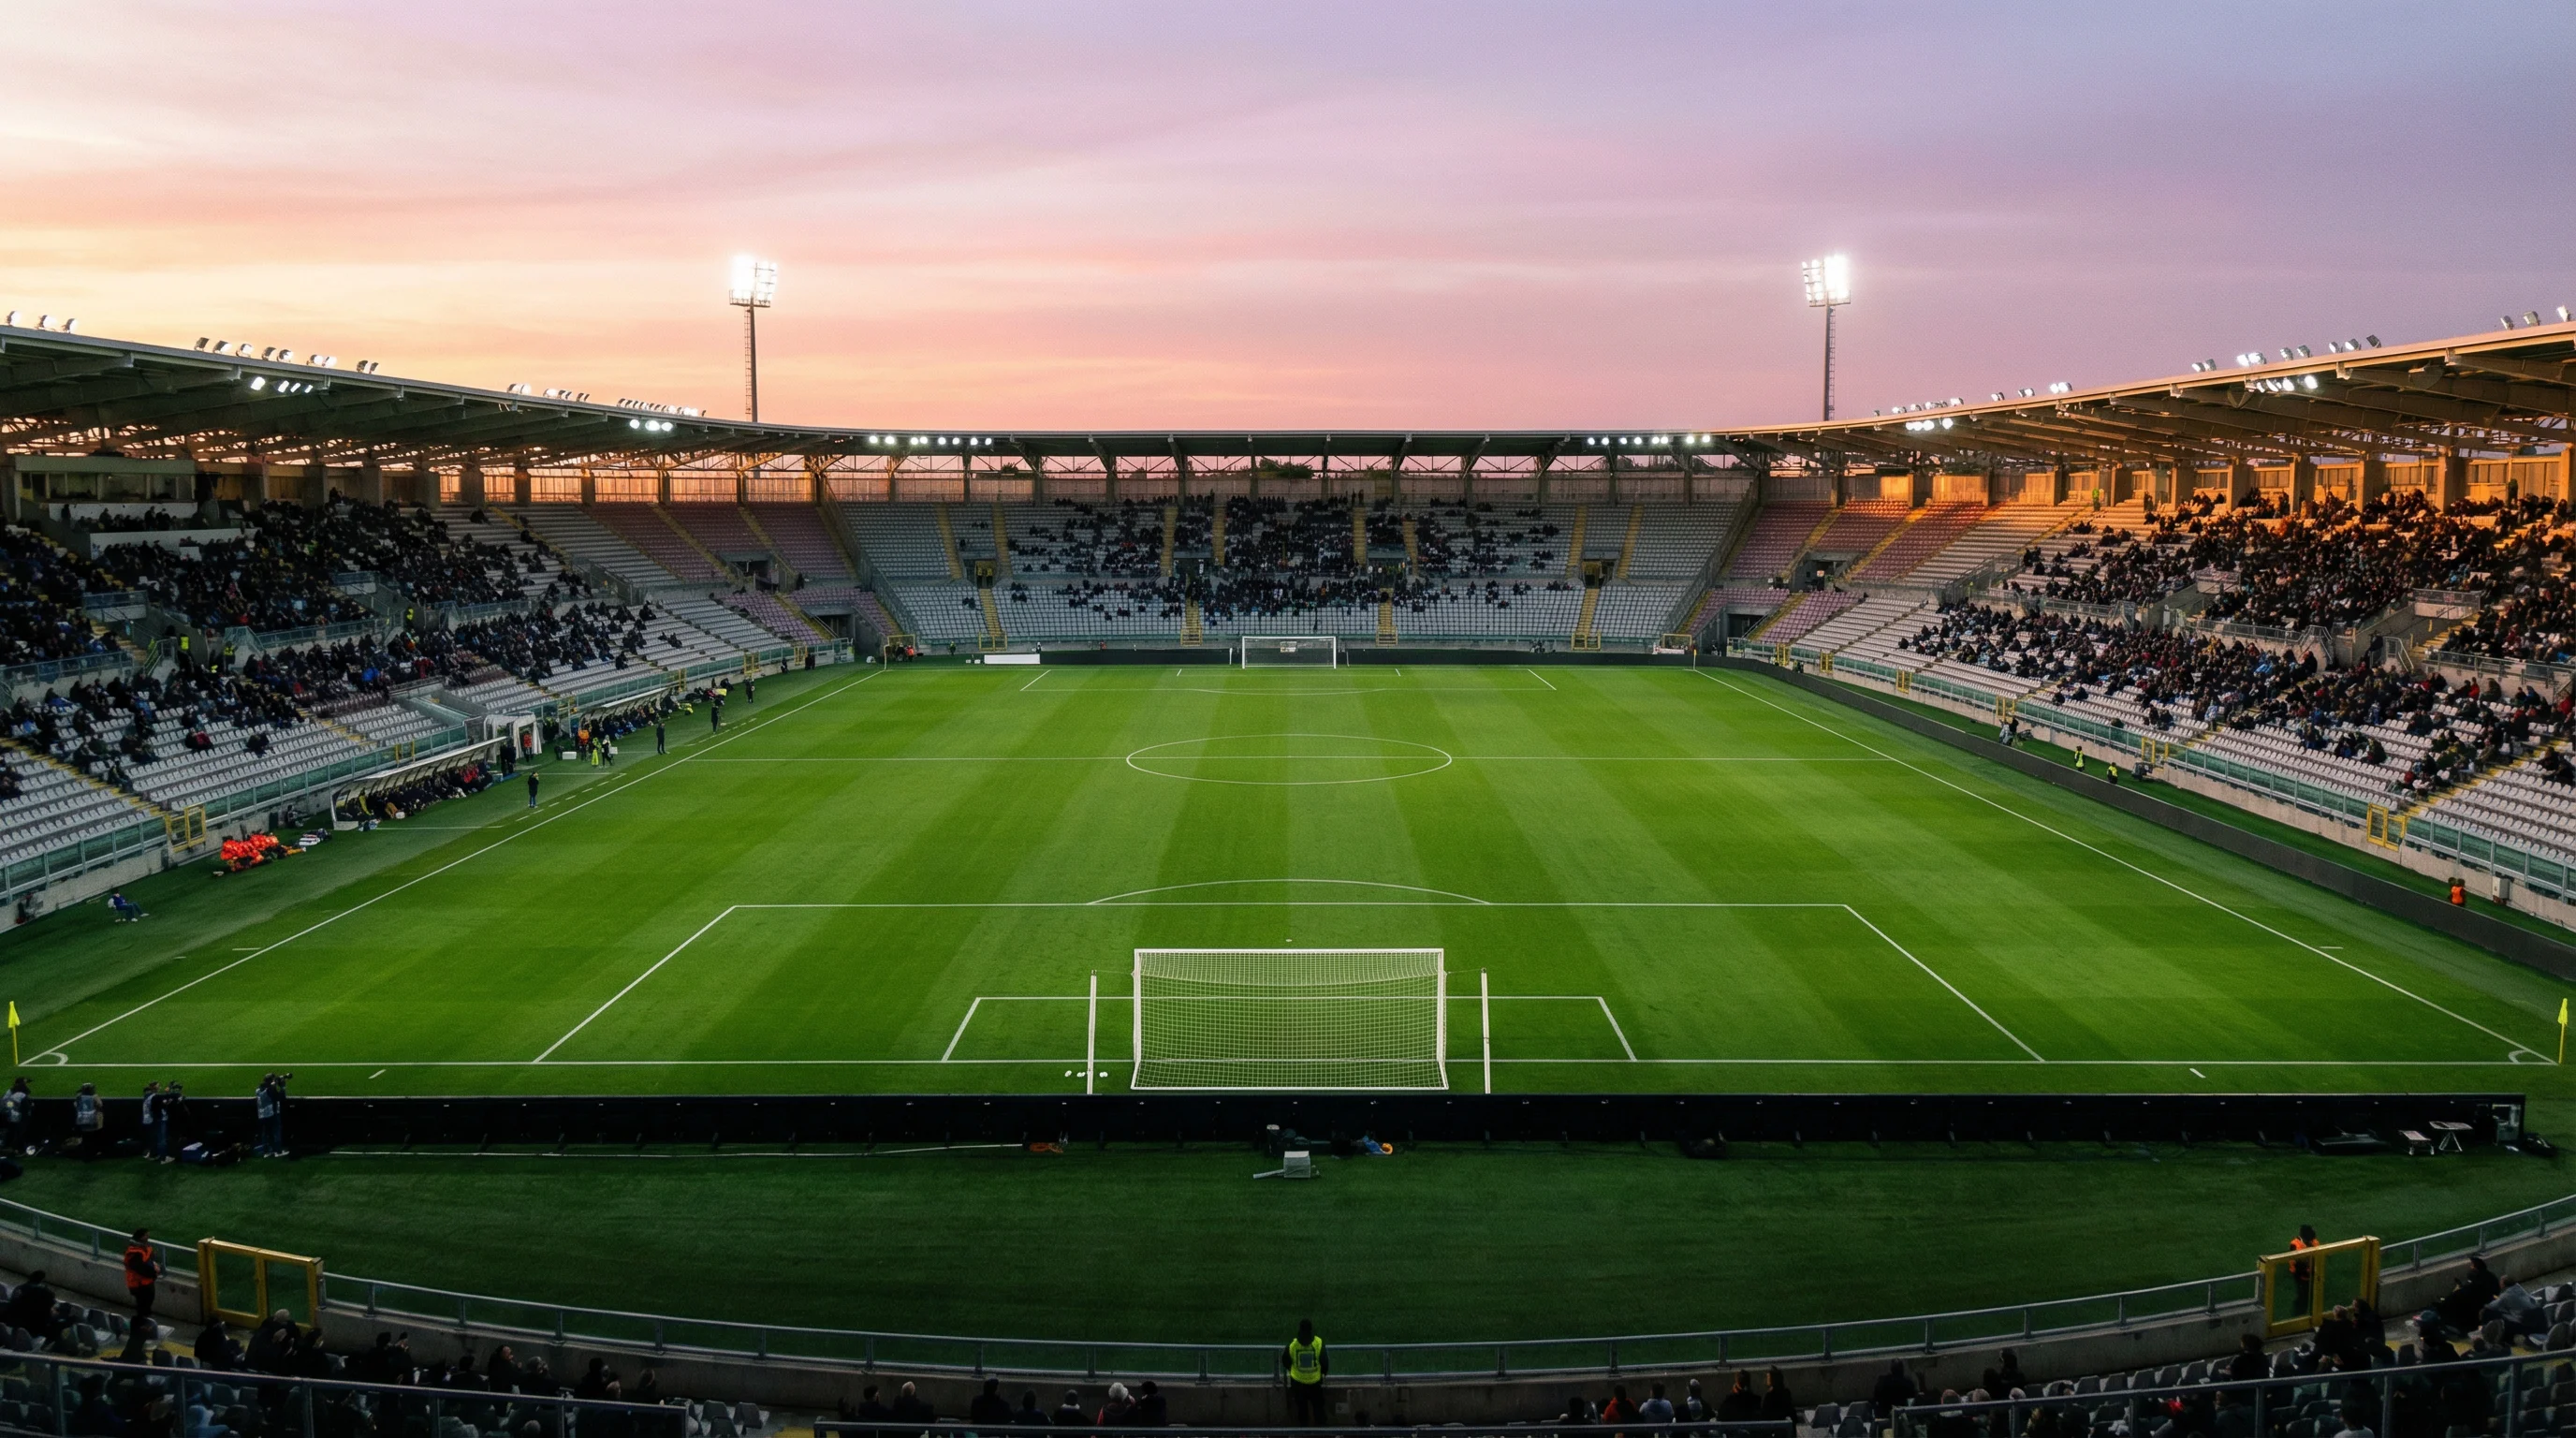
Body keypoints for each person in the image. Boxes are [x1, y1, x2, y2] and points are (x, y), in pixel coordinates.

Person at [1283, 1317, 1327, 1426]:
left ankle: (1304, 1432)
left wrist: (1293, 1370)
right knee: (1319, 1410)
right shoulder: (1318, 1343)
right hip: (1315, 1382)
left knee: (1302, 1412)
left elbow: (1285, 1360)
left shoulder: (1293, 1345)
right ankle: (1321, 1432)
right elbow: (1325, 1362)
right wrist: (1322, 1374)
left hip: (1298, 1384)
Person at [124, 1228, 164, 1322]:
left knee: (147, 1301)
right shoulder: (135, 1252)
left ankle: (145, 1320)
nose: (148, 1237)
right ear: (141, 1237)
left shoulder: (143, 1248)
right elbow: (140, 1268)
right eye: (146, 1235)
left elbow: (150, 1259)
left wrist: (154, 1265)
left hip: (145, 1282)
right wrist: (154, 1271)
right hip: (139, 1283)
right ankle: (142, 1322)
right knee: (143, 1303)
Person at [2290, 1224, 2320, 1316]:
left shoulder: (2314, 1242)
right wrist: (2308, 1270)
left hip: (2310, 1269)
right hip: (2299, 1272)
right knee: (2303, 1293)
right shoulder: (2295, 1245)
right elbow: (2297, 1264)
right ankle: (2299, 1311)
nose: (2312, 1241)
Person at [71, 1082, 103, 1151]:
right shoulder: (94, 1097)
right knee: (93, 1138)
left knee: (85, 1138)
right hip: (93, 1121)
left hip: (82, 1121)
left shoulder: (79, 1097)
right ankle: (93, 1152)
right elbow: (100, 1105)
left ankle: (85, 1152)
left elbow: (75, 1105)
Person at [140, 1081, 168, 1162]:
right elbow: (157, 1109)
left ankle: (152, 1154)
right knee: (161, 1139)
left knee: (153, 1138)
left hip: (148, 1120)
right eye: (158, 1086)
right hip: (155, 1120)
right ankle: (161, 1157)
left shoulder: (147, 1096)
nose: (159, 1087)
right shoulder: (154, 1097)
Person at [2, 1078, 27, 1154]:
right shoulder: (13, 1092)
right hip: (11, 1115)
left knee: (15, 1131)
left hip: (14, 1115)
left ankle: (13, 1148)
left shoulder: (18, 1092)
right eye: (24, 1083)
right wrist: (12, 1108)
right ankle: (12, 1148)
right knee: (14, 1131)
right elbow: (6, 1102)